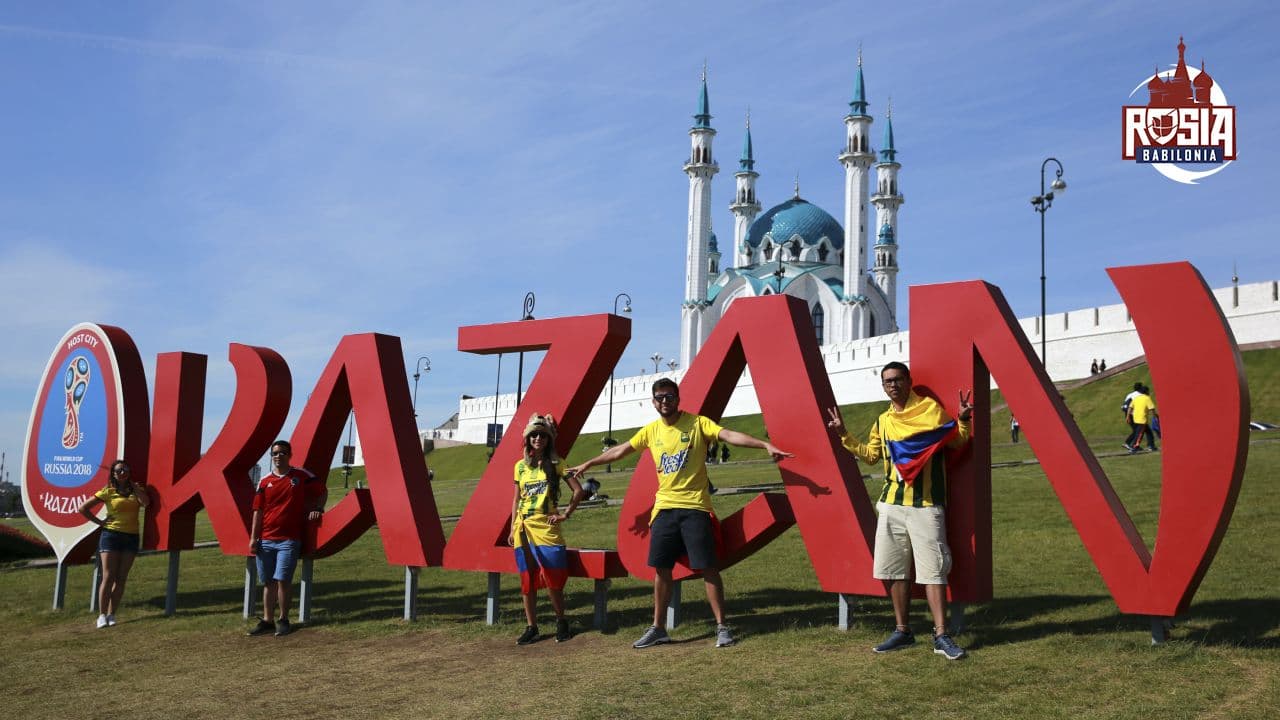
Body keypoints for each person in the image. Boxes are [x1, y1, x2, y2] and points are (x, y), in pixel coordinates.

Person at [567, 378, 792, 649]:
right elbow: (621, 450)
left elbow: (728, 435)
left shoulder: (697, 423)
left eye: (670, 397)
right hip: (664, 511)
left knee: (708, 567)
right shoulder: (651, 431)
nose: (665, 401)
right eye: (660, 397)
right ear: (653, 402)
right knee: (661, 571)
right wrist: (591, 461)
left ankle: (722, 627)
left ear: (678, 399)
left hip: (696, 508)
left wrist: (763, 444)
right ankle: (658, 628)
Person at [826, 361, 973, 661]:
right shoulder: (883, 421)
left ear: (908, 381)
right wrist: (844, 435)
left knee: (933, 571)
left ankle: (941, 635)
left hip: (926, 506)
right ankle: (903, 630)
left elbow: (956, 441)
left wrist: (963, 419)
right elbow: (871, 456)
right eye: (887, 381)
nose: (892, 385)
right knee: (894, 571)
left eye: (897, 379)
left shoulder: (930, 411)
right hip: (892, 505)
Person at [509, 414, 586, 645]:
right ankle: (531, 626)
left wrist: (565, 514)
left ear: (548, 438)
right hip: (523, 527)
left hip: (546, 526)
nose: (538, 438)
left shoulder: (557, 463)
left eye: (542, 435)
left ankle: (561, 621)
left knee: (553, 578)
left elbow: (578, 491)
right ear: (528, 439)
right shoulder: (520, 467)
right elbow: (516, 500)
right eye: (534, 435)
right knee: (528, 579)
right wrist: (513, 528)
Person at [247, 440, 326, 637]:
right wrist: (253, 538)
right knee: (268, 582)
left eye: (282, 452)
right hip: (266, 540)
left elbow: (322, 491)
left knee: (283, 580)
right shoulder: (264, 481)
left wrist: (318, 508)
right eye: (274, 453)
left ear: (289, 455)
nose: (278, 456)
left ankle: (283, 619)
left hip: (288, 540)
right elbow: (258, 511)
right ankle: (267, 620)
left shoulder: (300, 475)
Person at [78, 459, 150, 628]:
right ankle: (101, 615)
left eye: (125, 470)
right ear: (114, 474)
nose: (122, 472)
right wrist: (100, 522)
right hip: (111, 535)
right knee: (108, 576)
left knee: (121, 578)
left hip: (131, 537)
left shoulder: (136, 489)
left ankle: (112, 614)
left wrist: (135, 487)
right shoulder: (108, 491)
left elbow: (146, 503)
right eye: (119, 471)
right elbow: (83, 508)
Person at [1125, 385, 1159, 453]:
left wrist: (1128, 417)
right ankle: (1134, 447)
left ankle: (1151, 446)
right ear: (1146, 391)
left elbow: (1130, 408)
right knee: (1139, 434)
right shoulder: (1147, 398)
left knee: (1149, 433)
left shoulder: (1136, 398)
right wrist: (1155, 416)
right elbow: (1152, 408)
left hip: (1135, 418)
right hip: (1142, 419)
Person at [1121, 383, 1144, 451]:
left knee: (1137, 430)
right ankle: (1130, 444)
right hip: (1133, 414)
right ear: (1140, 388)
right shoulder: (1139, 395)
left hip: (1127, 413)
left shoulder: (1130, 394)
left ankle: (1134, 445)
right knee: (1137, 430)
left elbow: (1125, 404)